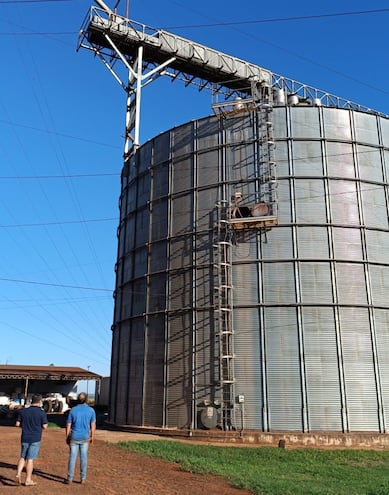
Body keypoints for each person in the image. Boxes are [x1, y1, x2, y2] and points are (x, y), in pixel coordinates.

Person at [15, 393, 48, 486]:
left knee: (22, 457)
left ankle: (18, 474)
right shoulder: (41, 412)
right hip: (35, 438)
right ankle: (28, 479)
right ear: (39, 402)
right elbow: (45, 426)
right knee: (30, 459)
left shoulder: (23, 411)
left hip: (25, 437)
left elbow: (17, 424)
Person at [65, 392, 96, 484]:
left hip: (74, 436)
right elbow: (93, 425)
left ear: (78, 400)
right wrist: (92, 436)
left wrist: (67, 436)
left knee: (72, 457)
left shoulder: (73, 410)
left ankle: (69, 478)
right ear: (86, 400)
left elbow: (68, 425)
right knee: (84, 457)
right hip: (85, 437)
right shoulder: (91, 410)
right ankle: (83, 478)